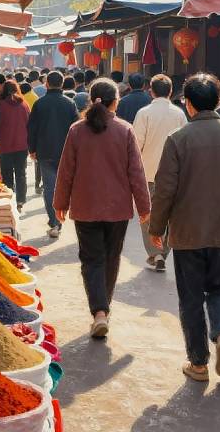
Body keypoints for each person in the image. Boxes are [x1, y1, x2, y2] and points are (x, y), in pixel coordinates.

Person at [149, 73, 220, 382]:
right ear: (219, 99)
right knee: (219, 289)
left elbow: (164, 189)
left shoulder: (179, 139)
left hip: (187, 232)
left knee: (190, 298)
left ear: (188, 104)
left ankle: (199, 363)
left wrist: (156, 228)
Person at [54, 78, 150, 338]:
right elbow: (137, 174)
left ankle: (100, 311)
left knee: (91, 259)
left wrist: (60, 203)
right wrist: (144, 206)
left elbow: (66, 172)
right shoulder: (124, 130)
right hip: (117, 208)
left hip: (86, 207)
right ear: (115, 101)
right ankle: (102, 309)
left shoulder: (77, 130)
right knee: (111, 258)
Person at [133, 74, 187, 271]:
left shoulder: (144, 113)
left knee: (148, 214)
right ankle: (163, 252)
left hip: (148, 172)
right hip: (174, 174)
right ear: (171, 91)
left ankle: (155, 254)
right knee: (171, 215)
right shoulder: (179, 114)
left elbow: (136, 144)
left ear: (151, 91)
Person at [28, 71, 79, 238]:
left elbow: (32, 128)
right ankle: (62, 217)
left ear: (47, 84)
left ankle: (55, 222)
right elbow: (77, 129)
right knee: (65, 187)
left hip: (45, 152)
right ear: (62, 84)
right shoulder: (70, 103)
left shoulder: (39, 104)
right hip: (66, 153)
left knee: (49, 188)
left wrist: (32, 149)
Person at [0, 80, 30, 211]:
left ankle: (9, 198)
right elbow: (30, 124)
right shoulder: (24, 105)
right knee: (21, 173)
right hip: (22, 144)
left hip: (5, 145)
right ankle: (21, 200)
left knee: (7, 173)